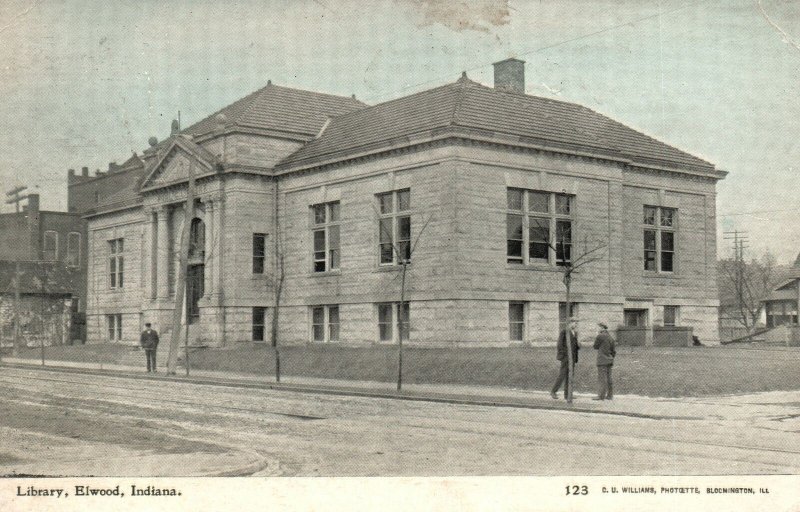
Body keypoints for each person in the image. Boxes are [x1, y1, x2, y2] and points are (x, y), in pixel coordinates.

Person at [551, 317, 580, 401]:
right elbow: (560, 345)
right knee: (562, 374)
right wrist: (564, 356)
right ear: (569, 323)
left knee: (570, 376)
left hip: (573, 358)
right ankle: (553, 391)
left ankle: (567, 394)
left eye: (576, 323)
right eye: (574, 322)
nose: (575, 324)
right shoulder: (564, 332)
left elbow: (575, 346)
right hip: (566, 358)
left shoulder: (575, 333)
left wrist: (578, 345)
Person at [592, 323, 616, 400]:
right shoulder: (610, 337)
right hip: (609, 360)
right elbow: (613, 351)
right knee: (609, 378)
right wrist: (611, 357)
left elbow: (595, 346)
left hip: (602, 360)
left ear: (602, 328)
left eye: (598, 327)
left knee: (602, 378)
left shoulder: (600, 336)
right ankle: (610, 395)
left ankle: (601, 396)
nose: (597, 329)